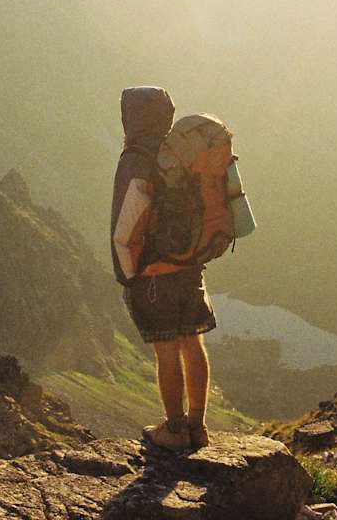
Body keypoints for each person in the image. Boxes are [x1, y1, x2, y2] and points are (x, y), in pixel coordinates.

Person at [110, 86, 216, 451]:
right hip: (190, 266)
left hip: (154, 275)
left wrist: (128, 275)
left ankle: (173, 429)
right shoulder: (181, 154)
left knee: (166, 350)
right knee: (193, 341)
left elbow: (126, 226)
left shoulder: (136, 159)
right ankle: (197, 426)